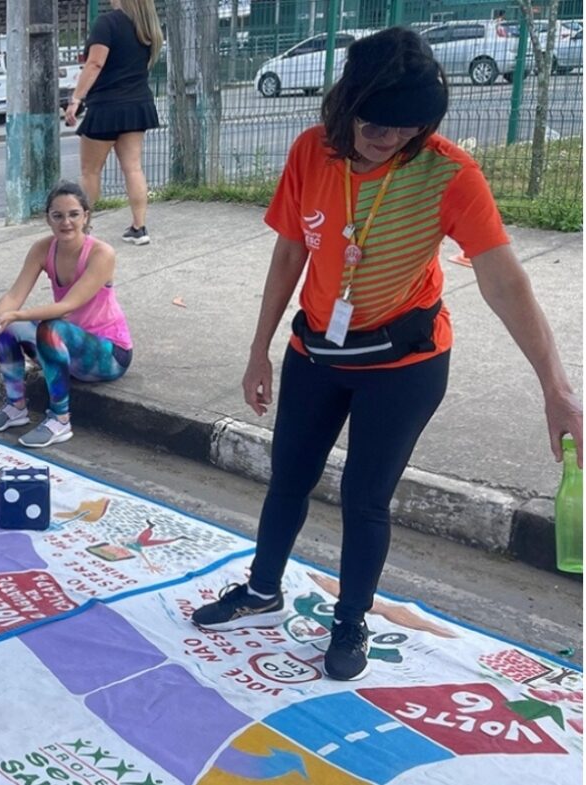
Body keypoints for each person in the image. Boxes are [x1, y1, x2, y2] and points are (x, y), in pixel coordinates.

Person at [190, 28, 583, 682]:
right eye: (375, 123)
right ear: (345, 105)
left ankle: (350, 616)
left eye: (408, 128)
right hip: (316, 350)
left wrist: (557, 386)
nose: (388, 139)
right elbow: (290, 250)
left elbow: (503, 278)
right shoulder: (312, 154)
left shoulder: (449, 172)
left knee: (365, 496)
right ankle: (262, 589)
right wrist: (258, 349)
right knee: (288, 476)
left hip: (405, 363)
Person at [0, 181, 133, 448]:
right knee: (5, 326)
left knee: (48, 327)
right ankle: (15, 407)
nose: (66, 222)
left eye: (74, 214)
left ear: (86, 216)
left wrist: (17, 315)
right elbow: (13, 296)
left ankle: (60, 420)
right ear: (48, 219)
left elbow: (68, 306)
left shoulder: (102, 253)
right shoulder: (43, 249)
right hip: (65, 349)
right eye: (58, 215)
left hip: (109, 355)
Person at [64, 0, 162, 246]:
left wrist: (76, 98)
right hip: (137, 104)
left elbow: (95, 63)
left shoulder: (107, 23)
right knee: (133, 168)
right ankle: (139, 228)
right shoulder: (147, 26)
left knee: (90, 171)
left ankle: (82, 229)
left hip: (106, 106)